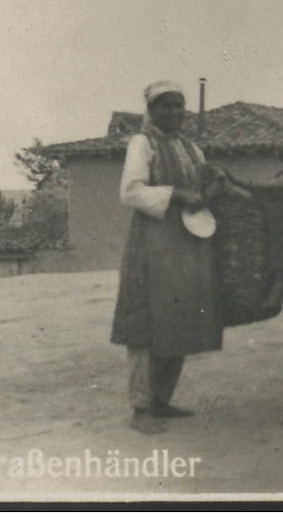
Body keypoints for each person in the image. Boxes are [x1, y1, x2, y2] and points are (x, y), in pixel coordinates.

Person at [111, 81, 224, 435]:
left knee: (179, 320)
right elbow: (130, 191)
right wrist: (176, 195)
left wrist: (213, 187)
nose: (174, 113)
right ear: (152, 111)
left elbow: (202, 188)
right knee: (146, 325)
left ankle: (161, 399)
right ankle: (140, 408)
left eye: (179, 106)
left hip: (187, 243)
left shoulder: (192, 149)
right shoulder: (142, 144)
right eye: (166, 106)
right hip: (151, 244)